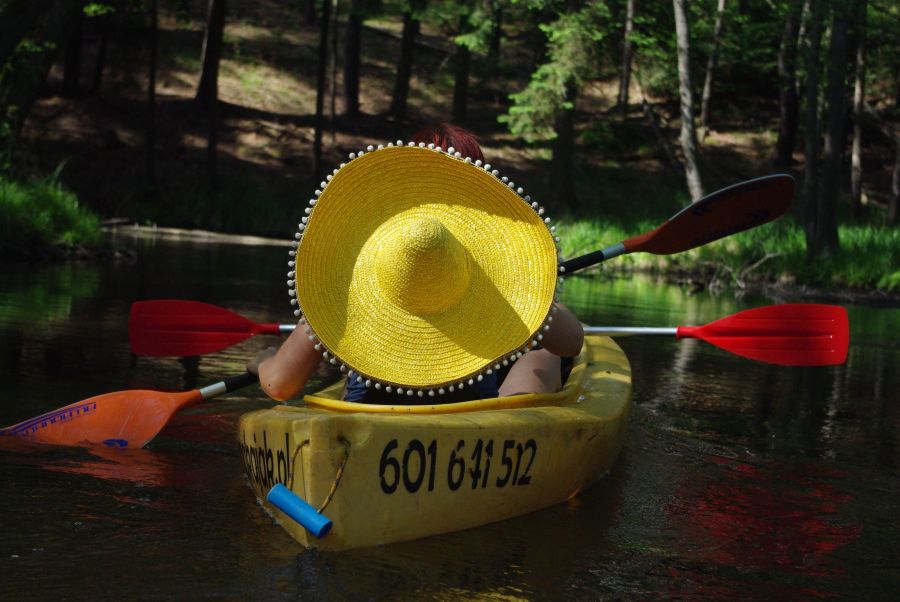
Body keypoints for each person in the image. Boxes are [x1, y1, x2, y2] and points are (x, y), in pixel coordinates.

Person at [248, 123, 583, 403]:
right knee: (543, 355)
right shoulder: (501, 298)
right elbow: (572, 342)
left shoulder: (341, 293)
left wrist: (263, 361)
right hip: (469, 432)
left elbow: (280, 384)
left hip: (369, 428)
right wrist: (529, 297)